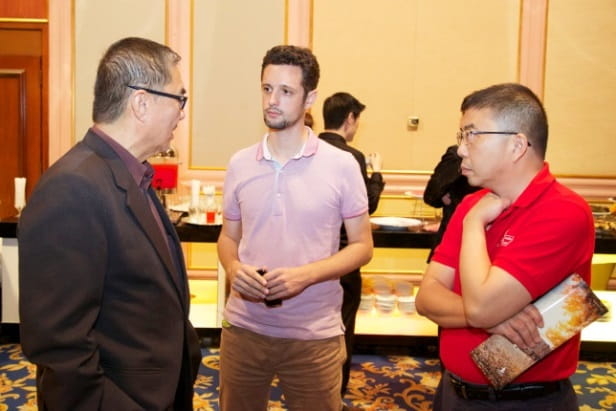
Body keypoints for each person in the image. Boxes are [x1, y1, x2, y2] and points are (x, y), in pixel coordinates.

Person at [18, 37, 202, 410]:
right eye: (179, 98)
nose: (182, 113)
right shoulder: (73, 187)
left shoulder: (128, 173)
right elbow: (61, 348)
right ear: (141, 103)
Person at [415, 83, 594, 410]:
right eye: (461, 137)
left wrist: (472, 226)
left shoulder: (563, 211)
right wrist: (492, 319)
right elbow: (427, 298)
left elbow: (482, 307)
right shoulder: (475, 204)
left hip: (524, 401)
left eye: (472, 135)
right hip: (454, 391)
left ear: (516, 145)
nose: (461, 150)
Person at [216, 45, 374, 411]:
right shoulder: (240, 163)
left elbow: (363, 246)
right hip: (243, 328)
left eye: (286, 92)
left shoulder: (341, 165)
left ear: (310, 98)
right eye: (267, 88)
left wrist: (306, 275)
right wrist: (234, 267)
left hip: (314, 332)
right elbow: (228, 237)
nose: (273, 100)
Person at [318, 91, 385, 397]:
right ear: (350, 118)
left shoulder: (310, 148)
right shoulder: (350, 157)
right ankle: (335, 391)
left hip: (313, 255)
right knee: (342, 327)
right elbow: (366, 206)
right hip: (344, 257)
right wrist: (376, 173)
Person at [423, 145, 478, 262]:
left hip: (454, 241)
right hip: (461, 242)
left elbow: (431, 195)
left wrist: (444, 194)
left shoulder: (457, 155)